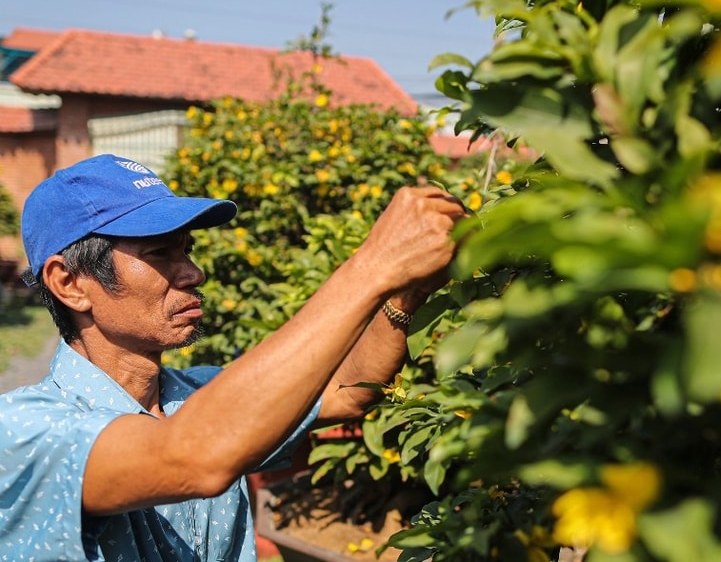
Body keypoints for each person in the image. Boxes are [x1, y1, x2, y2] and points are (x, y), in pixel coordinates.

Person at [0, 153, 465, 561]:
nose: (194, 273)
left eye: (187, 249)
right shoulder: (23, 431)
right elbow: (192, 457)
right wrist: (372, 266)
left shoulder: (198, 395)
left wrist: (408, 289)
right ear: (69, 283)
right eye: (160, 252)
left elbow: (346, 391)